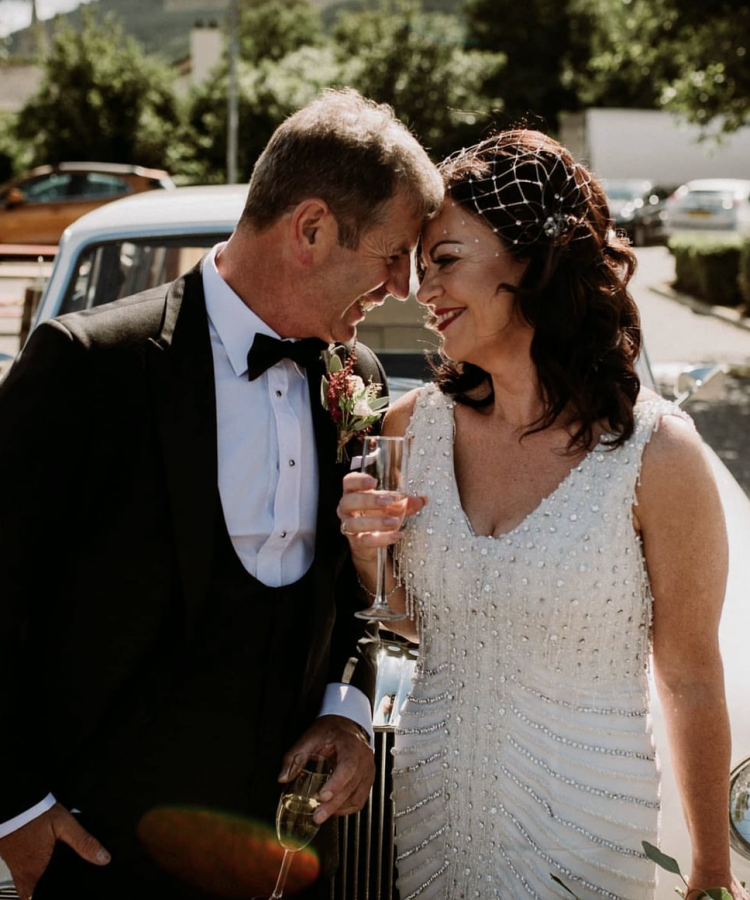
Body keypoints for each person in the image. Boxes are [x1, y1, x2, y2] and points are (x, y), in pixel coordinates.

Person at [0, 88, 443, 900]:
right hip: (102, 855)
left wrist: (347, 709)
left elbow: (353, 589)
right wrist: (14, 810)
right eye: (391, 254)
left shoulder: (359, 380)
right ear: (309, 229)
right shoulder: (86, 367)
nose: (403, 285)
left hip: (288, 859)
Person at [337, 129, 749, 900]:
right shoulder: (406, 431)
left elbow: (691, 677)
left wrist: (713, 871)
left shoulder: (658, 456)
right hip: (433, 827)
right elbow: (420, 619)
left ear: (533, 261)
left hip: (586, 836)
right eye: (423, 268)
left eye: (448, 260)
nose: (424, 291)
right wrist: (369, 556)